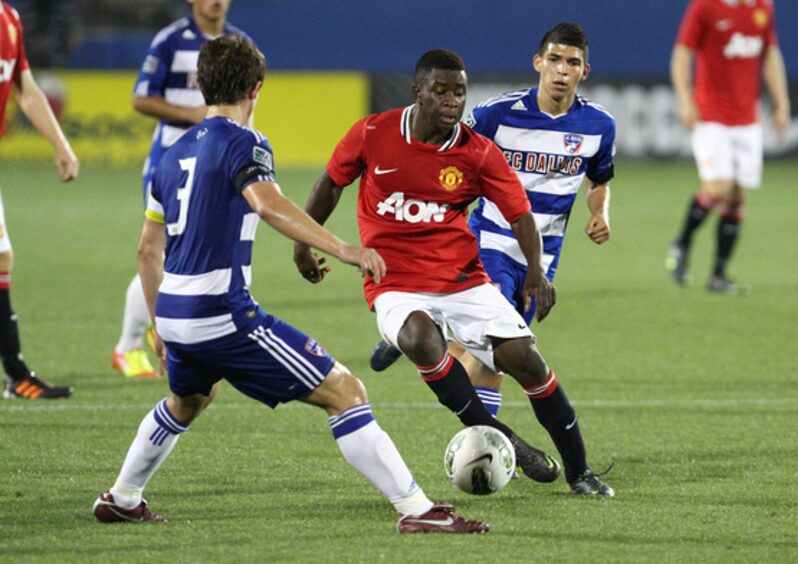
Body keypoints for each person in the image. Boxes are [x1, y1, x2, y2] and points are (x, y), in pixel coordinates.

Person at [92, 36, 488, 534]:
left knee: (190, 399)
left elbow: (147, 251)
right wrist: (344, 248)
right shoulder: (246, 142)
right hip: (221, 312)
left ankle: (123, 496)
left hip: (173, 309)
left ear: (201, 86)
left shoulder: (171, 157)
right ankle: (416, 510)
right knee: (346, 391)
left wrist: (158, 324)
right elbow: (267, 203)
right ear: (256, 88)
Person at [293, 48, 613, 495]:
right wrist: (303, 242)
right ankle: (504, 437)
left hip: (462, 280)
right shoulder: (373, 133)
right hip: (395, 281)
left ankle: (580, 471)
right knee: (421, 338)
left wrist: (537, 274)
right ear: (417, 92)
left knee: (526, 359)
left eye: (458, 93)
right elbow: (330, 184)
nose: (451, 101)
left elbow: (520, 215)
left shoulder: (477, 152)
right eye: (440, 91)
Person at [370, 24, 615, 427]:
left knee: (483, 355)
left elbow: (599, 180)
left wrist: (600, 212)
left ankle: (420, 329)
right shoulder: (495, 116)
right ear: (538, 63)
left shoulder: (599, 126)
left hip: (541, 258)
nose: (561, 70)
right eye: (554, 60)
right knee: (496, 356)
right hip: (490, 244)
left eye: (572, 63)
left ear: (584, 71)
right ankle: (487, 443)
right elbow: (450, 161)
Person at [112, 0, 254, 378]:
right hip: (173, 161)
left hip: (217, 162)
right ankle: (129, 345)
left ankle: (169, 337)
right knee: (166, 250)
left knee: (182, 253)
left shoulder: (239, 43)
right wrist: (193, 114)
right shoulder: (170, 41)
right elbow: (141, 97)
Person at [666, 0, 789, 294]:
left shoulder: (763, 8)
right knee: (718, 187)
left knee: (737, 196)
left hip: (747, 118)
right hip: (711, 115)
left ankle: (718, 275)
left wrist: (781, 102)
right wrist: (685, 99)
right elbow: (682, 53)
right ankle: (682, 242)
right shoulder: (705, 7)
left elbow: (771, 55)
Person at [1, 1, 77, 399]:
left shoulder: (9, 20)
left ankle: (16, 374)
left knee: (1, 258)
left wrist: (60, 144)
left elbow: (25, 89)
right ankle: (16, 374)